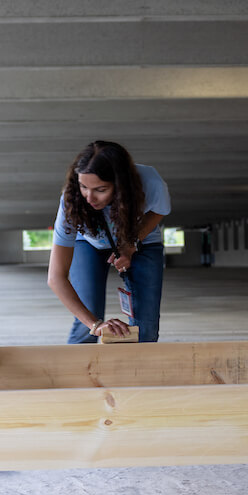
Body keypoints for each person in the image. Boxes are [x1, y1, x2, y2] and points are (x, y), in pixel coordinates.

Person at [47, 141, 171, 343]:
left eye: (100, 189)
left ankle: (137, 373)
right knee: (85, 322)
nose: (89, 197)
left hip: (141, 240)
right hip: (87, 243)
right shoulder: (71, 201)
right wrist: (95, 325)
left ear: (121, 184)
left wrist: (131, 244)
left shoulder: (151, 182)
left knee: (146, 328)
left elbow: (158, 211)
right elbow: (55, 277)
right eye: (83, 186)